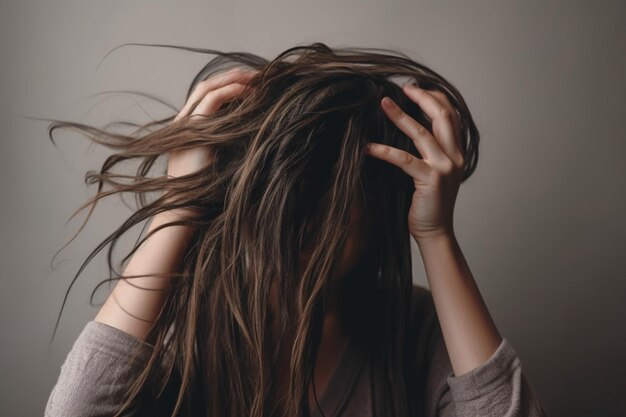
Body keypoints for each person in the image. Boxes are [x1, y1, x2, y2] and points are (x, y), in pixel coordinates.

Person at [44, 42, 549, 417]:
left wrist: (437, 234)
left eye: (335, 203)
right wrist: (179, 202)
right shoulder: (183, 332)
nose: (303, 228)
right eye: (288, 199)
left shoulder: (412, 330)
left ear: (375, 211)